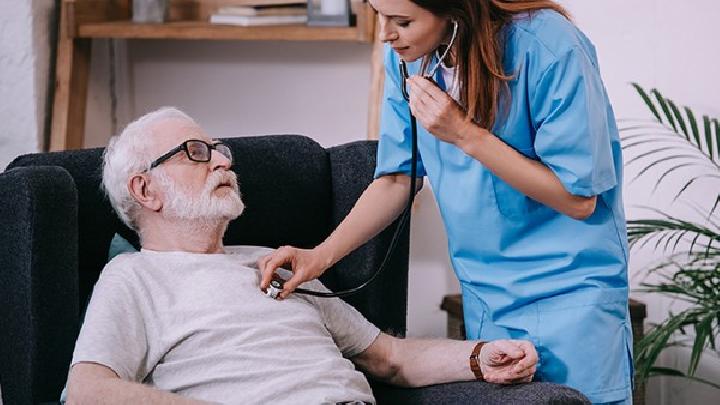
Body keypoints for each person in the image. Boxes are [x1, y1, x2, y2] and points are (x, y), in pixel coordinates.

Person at [258, 1, 632, 404]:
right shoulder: (407, 59)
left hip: (571, 292)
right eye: (377, 15)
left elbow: (579, 199)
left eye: (402, 21)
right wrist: (319, 257)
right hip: (487, 295)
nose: (385, 34)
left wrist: (464, 134)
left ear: (456, 10)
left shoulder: (547, 45)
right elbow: (397, 178)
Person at [64, 107, 540, 405]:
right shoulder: (134, 277)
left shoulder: (278, 261)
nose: (223, 160)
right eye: (195, 152)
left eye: (218, 149)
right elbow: (88, 391)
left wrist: (479, 358)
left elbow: (390, 357)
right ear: (145, 189)